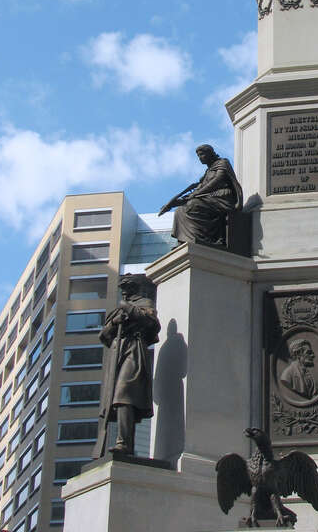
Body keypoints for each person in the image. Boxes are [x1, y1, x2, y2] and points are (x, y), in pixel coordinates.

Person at [96, 273, 160, 456]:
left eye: (127, 287)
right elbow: (104, 335)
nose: (124, 291)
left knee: (124, 394)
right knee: (116, 397)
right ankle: (123, 443)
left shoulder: (144, 304)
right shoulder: (117, 310)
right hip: (117, 352)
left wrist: (129, 310)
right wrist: (116, 322)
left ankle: (124, 443)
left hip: (134, 349)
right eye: (122, 288)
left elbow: (152, 324)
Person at [168, 145, 243, 247]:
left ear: (210, 153)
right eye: (198, 156)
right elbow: (199, 188)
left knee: (193, 204)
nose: (200, 158)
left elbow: (216, 181)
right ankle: (188, 239)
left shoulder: (222, 163)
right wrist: (181, 200)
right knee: (180, 210)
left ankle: (205, 238)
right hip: (209, 198)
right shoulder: (208, 171)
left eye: (202, 154)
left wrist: (195, 194)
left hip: (222, 198)